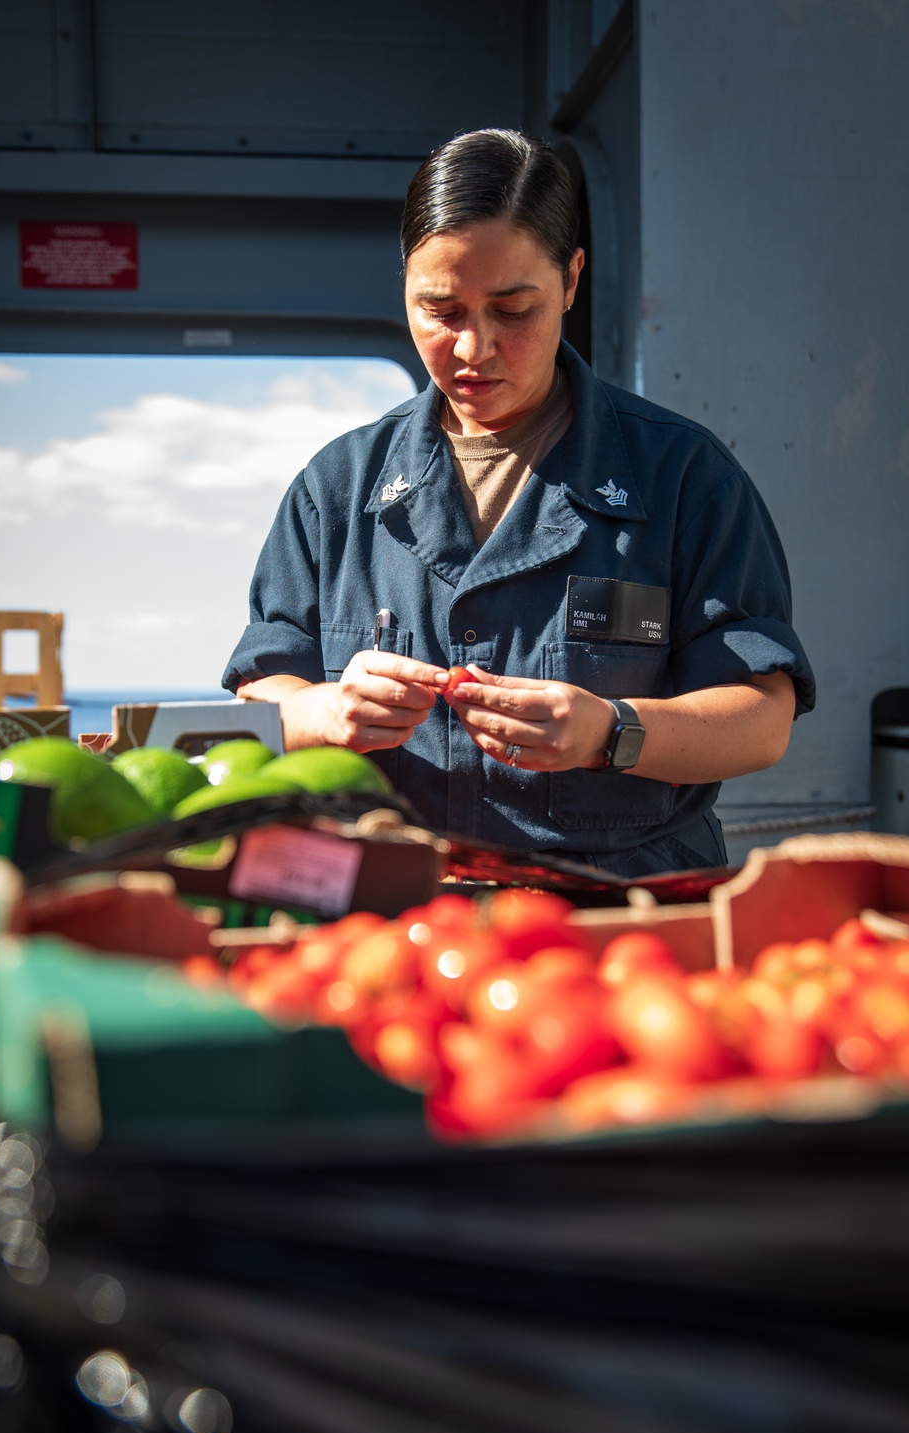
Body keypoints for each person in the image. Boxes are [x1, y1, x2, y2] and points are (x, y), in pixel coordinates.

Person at [223, 128, 815, 877]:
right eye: (441, 309)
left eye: (512, 310)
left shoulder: (684, 477)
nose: (473, 348)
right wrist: (323, 710)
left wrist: (612, 731)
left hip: (615, 912)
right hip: (394, 911)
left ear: (571, 280)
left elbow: (761, 717)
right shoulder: (335, 488)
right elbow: (258, 690)